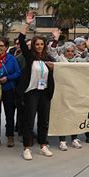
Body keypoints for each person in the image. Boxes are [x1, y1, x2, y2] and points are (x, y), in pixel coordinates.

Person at [17, 11, 55, 160]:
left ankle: (43, 145)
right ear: (33, 46)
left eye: (41, 44)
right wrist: (26, 24)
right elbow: (21, 40)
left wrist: (54, 68)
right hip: (31, 92)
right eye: (37, 44)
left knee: (44, 120)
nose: (39, 46)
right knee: (29, 120)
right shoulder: (29, 56)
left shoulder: (49, 58)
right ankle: (26, 148)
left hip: (44, 92)